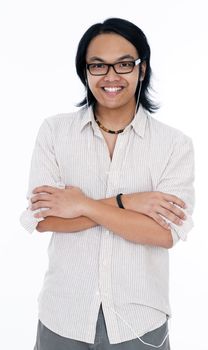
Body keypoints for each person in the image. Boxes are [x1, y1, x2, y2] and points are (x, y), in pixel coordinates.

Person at [20, 17, 195, 350]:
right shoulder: (55, 133)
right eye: (98, 66)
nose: (111, 76)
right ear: (84, 72)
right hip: (64, 316)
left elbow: (163, 234)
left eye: (124, 64)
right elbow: (44, 220)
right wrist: (127, 203)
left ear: (142, 70)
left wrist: (81, 205)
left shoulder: (174, 144)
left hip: (139, 321)